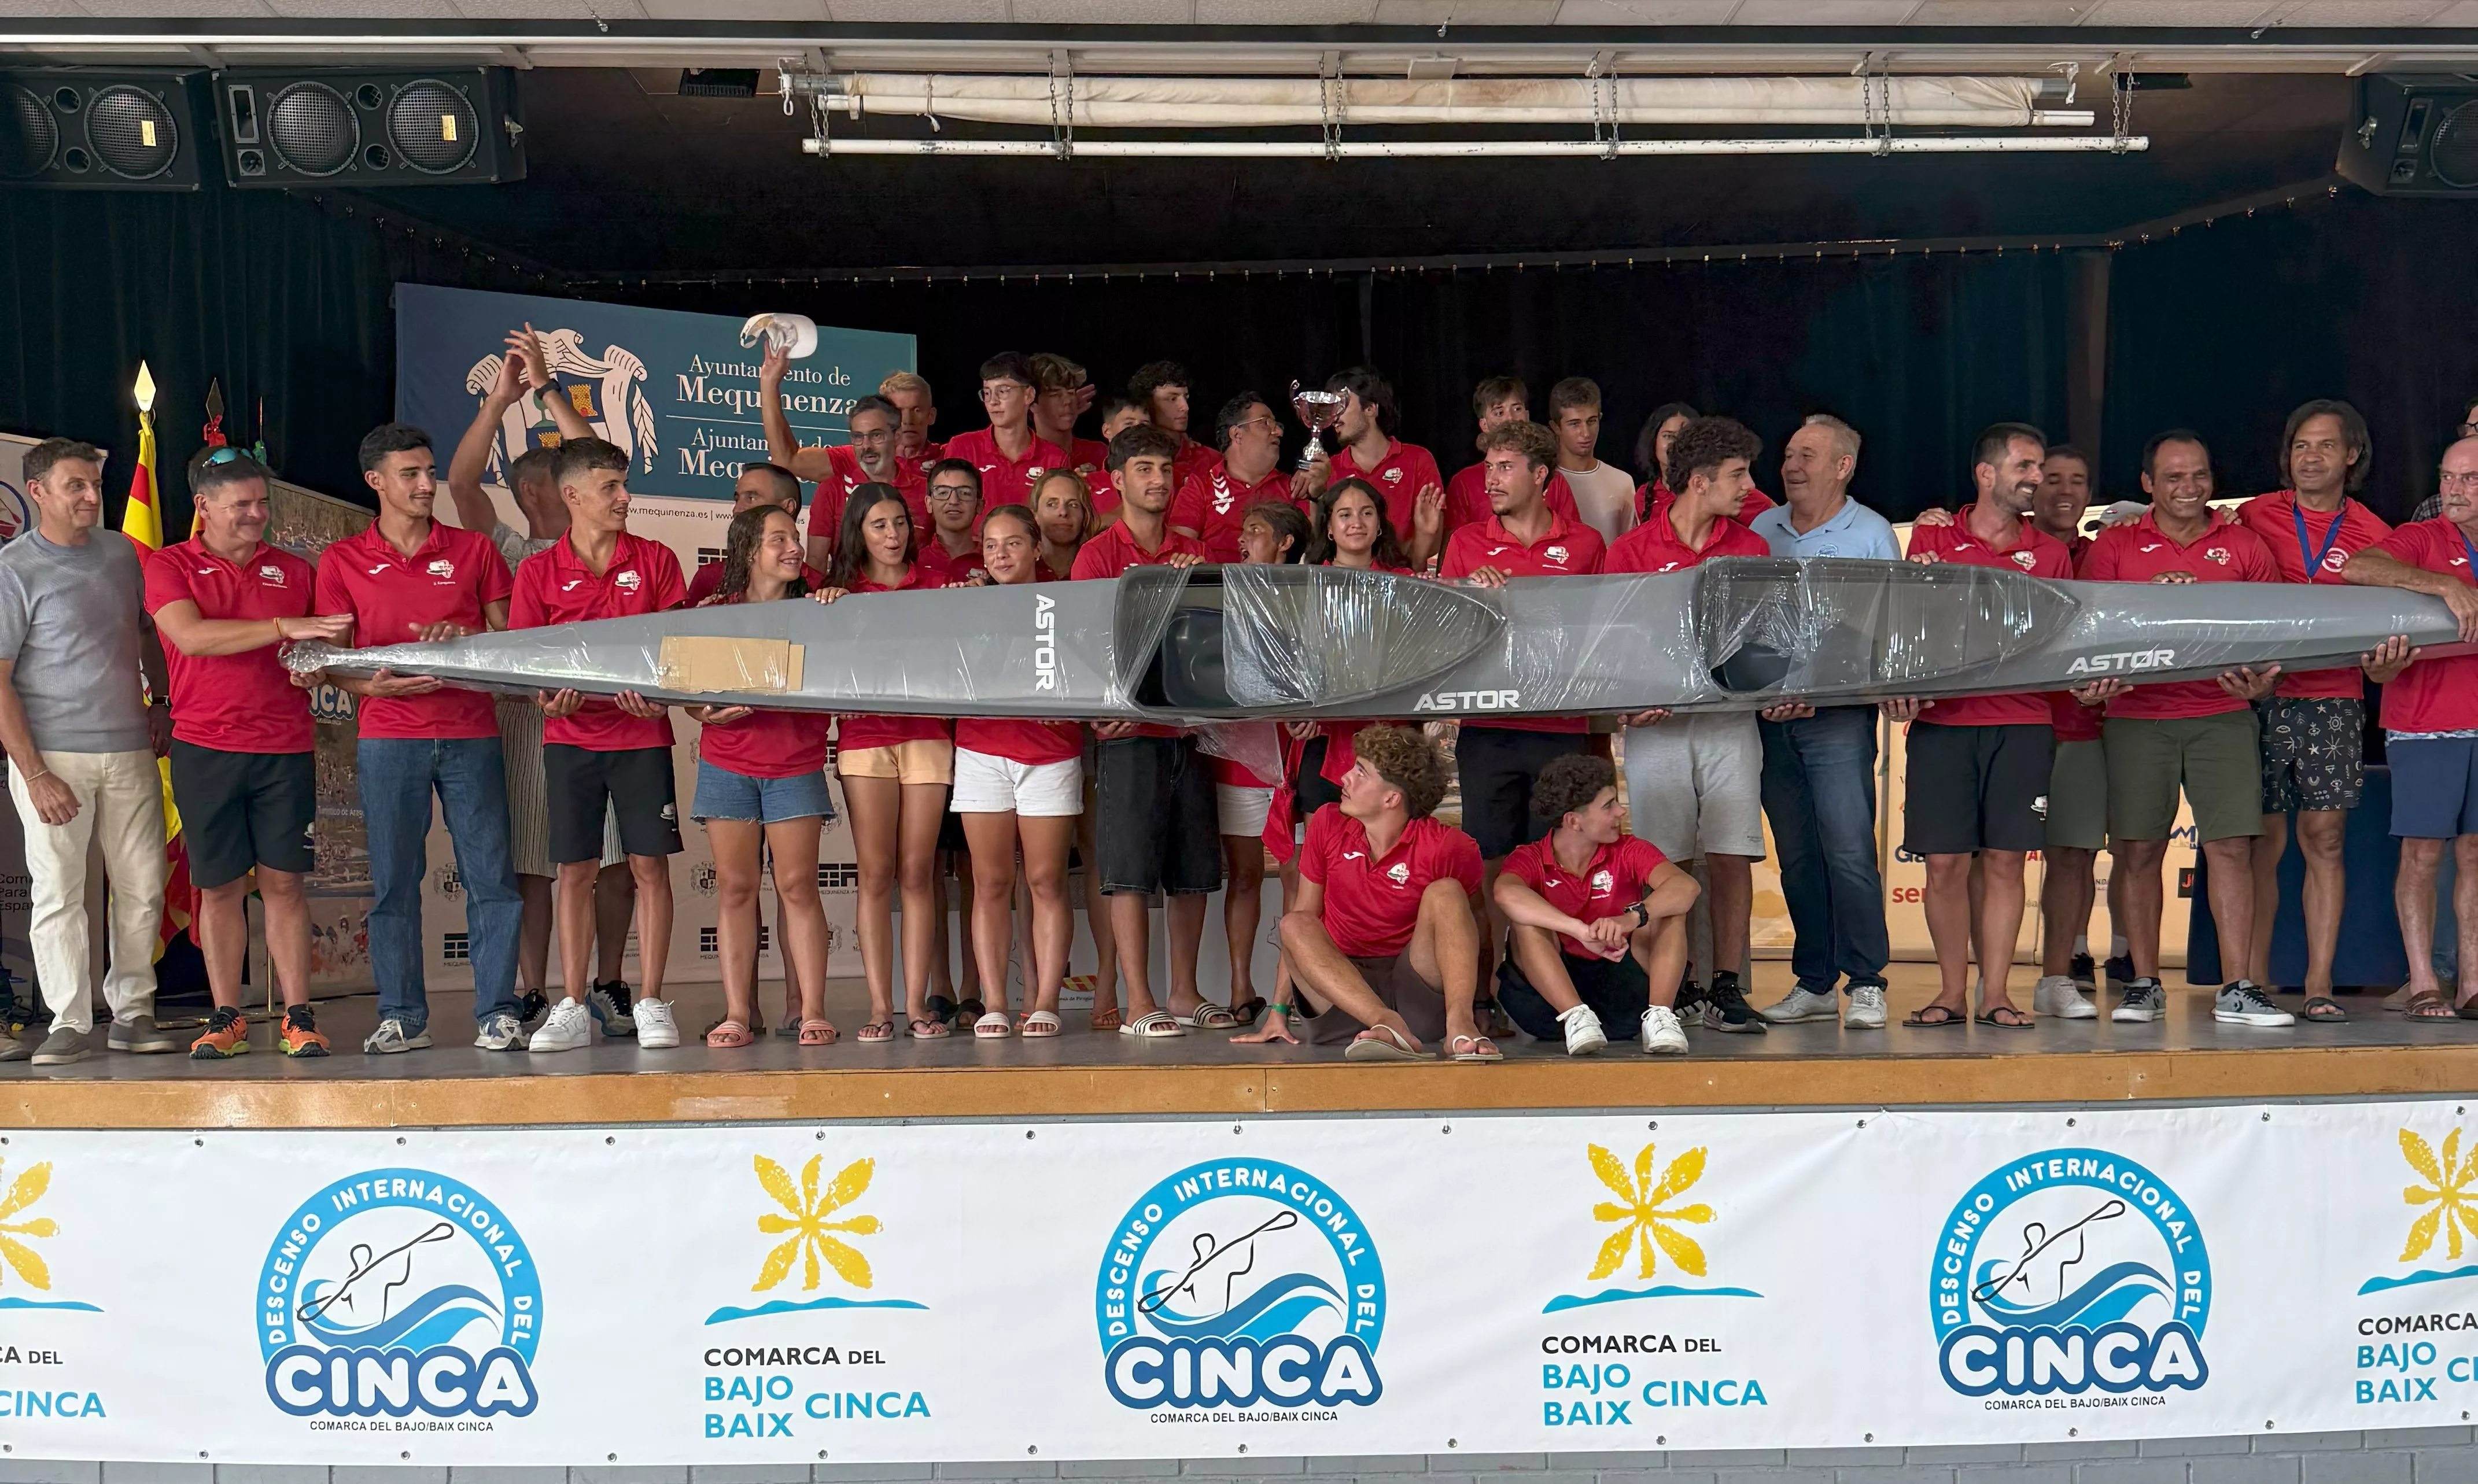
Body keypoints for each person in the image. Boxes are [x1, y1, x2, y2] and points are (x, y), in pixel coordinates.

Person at [447, 326, 639, 1030]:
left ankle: (610, 982)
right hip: (528, 718)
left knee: (615, 858)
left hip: (608, 714)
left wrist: (550, 388)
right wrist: (500, 401)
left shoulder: (601, 541)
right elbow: (463, 483)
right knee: (536, 859)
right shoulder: (507, 549)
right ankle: (534, 986)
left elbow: (592, 457)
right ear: (536, 489)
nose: (600, 491)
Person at [313, 423, 524, 1054]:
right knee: (394, 883)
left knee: (491, 877)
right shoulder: (342, 559)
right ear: (376, 481)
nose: (426, 484)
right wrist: (367, 692)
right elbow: (329, 659)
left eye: (430, 472)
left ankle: (498, 1013)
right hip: (387, 736)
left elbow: (509, 642)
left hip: (470, 731)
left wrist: (462, 640)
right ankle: (402, 1014)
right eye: (411, 474)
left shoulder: (473, 550)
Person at [144, 447, 350, 1058]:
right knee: (220, 886)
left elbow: (314, 654)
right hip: (204, 748)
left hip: (284, 748)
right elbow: (192, 637)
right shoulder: (168, 564)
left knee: (286, 883)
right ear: (203, 506)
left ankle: (298, 1014)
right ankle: (226, 1015)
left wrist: (312, 667)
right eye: (243, 505)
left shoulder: (292, 569)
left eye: (263, 503)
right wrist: (287, 628)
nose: (258, 514)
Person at [2078, 430, 2288, 1028]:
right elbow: (2093, 625)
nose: (2189, 488)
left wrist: (2262, 686)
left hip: (2222, 713)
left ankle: (2238, 986)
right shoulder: (2117, 545)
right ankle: (2144, 981)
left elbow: (2276, 630)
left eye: (2198, 476)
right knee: (2138, 850)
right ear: (2147, 484)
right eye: (2173, 478)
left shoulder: (2244, 544)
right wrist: (2150, 599)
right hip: (2137, 715)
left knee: (2230, 848)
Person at [1891, 424, 2076, 1028]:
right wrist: (1895, 691)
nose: (2036, 478)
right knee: (1945, 864)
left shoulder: (2050, 552)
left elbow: (2065, 643)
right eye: (2025, 466)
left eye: (2040, 467)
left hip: (2023, 721)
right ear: (1986, 473)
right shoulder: (1931, 537)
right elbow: (1901, 631)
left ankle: (1995, 993)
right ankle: (1949, 991)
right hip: (1944, 723)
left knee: (2005, 860)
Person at [510, 435, 689, 1053]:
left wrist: (660, 694)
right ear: (573, 495)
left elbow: (677, 653)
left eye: (624, 484)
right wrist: (544, 699)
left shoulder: (658, 559)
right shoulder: (537, 571)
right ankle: (569, 1002)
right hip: (569, 737)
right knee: (574, 870)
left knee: (648, 867)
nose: (624, 497)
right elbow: (526, 665)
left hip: (641, 734)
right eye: (610, 487)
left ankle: (651, 1000)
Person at [0, 438, 174, 1064]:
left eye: (96, 484)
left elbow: (147, 631)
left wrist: (160, 704)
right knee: (59, 892)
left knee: (143, 885)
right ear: (39, 491)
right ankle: (68, 1021)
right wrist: (36, 772)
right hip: (54, 757)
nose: (92, 497)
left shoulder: (121, 554)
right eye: (75, 486)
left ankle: (133, 1012)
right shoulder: (14, 568)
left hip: (130, 749)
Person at [1603, 416, 1773, 1035]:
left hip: (1730, 719)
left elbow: (1763, 643)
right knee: (1662, 862)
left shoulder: (1751, 548)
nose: (1748, 487)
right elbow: (1611, 649)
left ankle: (1726, 985)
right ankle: (1669, 992)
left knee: (1731, 854)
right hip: (1659, 727)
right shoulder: (1630, 552)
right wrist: (1626, 703)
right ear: (1699, 482)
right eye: (1737, 475)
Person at [1438, 419, 1606, 985]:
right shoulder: (1465, 543)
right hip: (1489, 726)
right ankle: (1487, 989)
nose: (1491, 479)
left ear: (1540, 474)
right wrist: (1472, 601)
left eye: (1504, 467)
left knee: (1555, 863)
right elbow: (1447, 639)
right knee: (1488, 863)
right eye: (1487, 467)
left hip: (1560, 727)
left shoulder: (1586, 544)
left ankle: (1549, 990)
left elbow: (1602, 636)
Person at [2236, 401, 2389, 1022]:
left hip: (2334, 698)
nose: (2312, 457)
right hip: (2260, 694)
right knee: (2261, 841)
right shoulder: (2253, 513)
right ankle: (2250, 982)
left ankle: (2319, 981)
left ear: (2351, 455)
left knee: (2323, 840)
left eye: (2326, 446)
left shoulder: (2377, 535)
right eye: (2301, 445)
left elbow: (2387, 633)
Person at [1749, 415, 1899, 1029]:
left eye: (1808, 454)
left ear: (1844, 466)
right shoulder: (1759, 530)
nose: (1792, 465)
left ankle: (1867, 980)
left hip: (1838, 718)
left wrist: (1824, 688)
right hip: (1766, 719)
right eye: (1788, 453)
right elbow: (1738, 630)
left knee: (1849, 851)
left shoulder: (1871, 534)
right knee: (1798, 857)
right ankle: (1814, 982)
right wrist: (1764, 694)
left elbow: (1889, 632)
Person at [1072, 424, 1219, 1039]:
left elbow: (1219, 643)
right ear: (1116, 480)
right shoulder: (1099, 554)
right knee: (1129, 872)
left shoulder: (1194, 552)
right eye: (1144, 469)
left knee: (1192, 871)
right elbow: (1082, 642)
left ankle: (1184, 993)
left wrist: (1198, 577)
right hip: (1130, 735)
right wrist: (1095, 706)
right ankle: (1139, 1001)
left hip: (1189, 734)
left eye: (1165, 469)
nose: (1157, 480)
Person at [683, 504, 836, 1049]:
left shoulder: (820, 608)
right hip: (727, 765)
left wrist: (834, 608)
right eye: (779, 539)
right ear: (750, 551)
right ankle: (736, 1013)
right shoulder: (713, 612)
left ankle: (813, 1009)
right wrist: (704, 714)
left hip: (794, 764)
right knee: (736, 889)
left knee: (798, 887)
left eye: (795, 538)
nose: (794, 547)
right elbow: (690, 697)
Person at [2343, 435, 2478, 1020]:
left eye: (2470, 479)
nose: (2454, 489)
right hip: (2426, 723)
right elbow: (2358, 565)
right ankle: (2424, 980)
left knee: (2475, 855)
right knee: (2423, 854)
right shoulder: (2424, 538)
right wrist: (2443, 584)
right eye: (2448, 477)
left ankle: (2473, 982)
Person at [813, 483, 953, 1041]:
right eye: (879, 526)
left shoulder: (938, 583)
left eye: (900, 523)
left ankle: (916, 1005)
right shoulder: (838, 593)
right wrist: (826, 608)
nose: (893, 535)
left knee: (917, 874)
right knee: (875, 875)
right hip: (865, 738)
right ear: (858, 532)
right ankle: (879, 1007)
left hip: (927, 735)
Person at [1264, 725, 1491, 1062]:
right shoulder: (1327, 822)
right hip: (1341, 994)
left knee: (1447, 892)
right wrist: (1278, 1011)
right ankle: (1384, 1022)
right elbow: (1303, 921)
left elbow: (1476, 929)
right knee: (1295, 923)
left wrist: (1481, 1005)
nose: (1344, 778)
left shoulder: (1449, 846)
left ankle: (1459, 1024)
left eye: (1360, 772)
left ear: (1392, 798)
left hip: (1416, 996)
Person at [952, 503, 1086, 1040]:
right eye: (990, 545)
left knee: (1047, 881)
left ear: (1036, 548)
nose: (1000, 554)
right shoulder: (967, 604)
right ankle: (994, 1004)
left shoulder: (1068, 601)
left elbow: (1088, 671)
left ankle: (1047, 1001)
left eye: (1012, 543)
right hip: (982, 750)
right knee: (989, 883)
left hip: (1051, 752)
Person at [1494, 754, 1701, 1055]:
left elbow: (1686, 886)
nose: (1621, 811)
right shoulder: (1530, 857)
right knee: (1526, 920)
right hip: (1551, 1012)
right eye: (1608, 806)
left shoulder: (1631, 849)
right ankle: (1576, 1015)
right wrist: (1578, 930)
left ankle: (1660, 1016)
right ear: (1573, 821)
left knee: (1669, 909)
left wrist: (1631, 919)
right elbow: (1505, 894)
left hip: (1625, 997)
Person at [2027, 444, 2130, 997]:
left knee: (2076, 852)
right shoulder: (2011, 550)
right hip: (2014, 721)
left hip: (2086, 727)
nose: (2065, 492)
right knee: (1989, 857)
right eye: (2052, 480)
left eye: (2079, 482)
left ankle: (2072, 962)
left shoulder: (2103, 553)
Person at [1210, 500, 1311, 1024]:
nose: (1243, 540)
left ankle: (1294, 991)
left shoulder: (1312, 597)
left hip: (1299, 762)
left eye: (1255, 531)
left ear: (1286, 543)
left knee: (1299, 880)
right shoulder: (1224, 595)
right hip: (1239, 761)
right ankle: (1239, 989)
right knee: (1246, 876)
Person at [1025, 469, 1120, 1023]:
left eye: (1072, 504)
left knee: (1100, 858)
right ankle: (1042, 991)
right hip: (1036, 734)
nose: (1061, 513)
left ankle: (1107, 984)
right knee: (1038, 872)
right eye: (1050, 504)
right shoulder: (1015, 569)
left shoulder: (1100, 566)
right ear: (1034, 513)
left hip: (1095, 728)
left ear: (1087, 513)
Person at [1322, 367, 1444, 550]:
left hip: (1405, 576)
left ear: (1370, 409)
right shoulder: (1328, 468)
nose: (1334, 417)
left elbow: (1433, 542)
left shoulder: (1419, 459)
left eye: (1341, 405)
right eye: (1331, 408)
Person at [1443, 376, 1580, 534]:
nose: (1510, 419)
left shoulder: (1555, 481)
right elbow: (1452, 548)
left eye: (1517, 409)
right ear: (1484, 425)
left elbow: (1574, 541)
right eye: (1499, 412)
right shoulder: (1463, 483)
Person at [1170, 393, 1296, 563]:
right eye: (1265, 423)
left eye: (1277, 425)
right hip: (1216, 585)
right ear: (1237, 434)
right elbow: (1180, 553)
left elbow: (1309, 552)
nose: (1278, 432)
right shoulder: (1200, 486)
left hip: (1278, 585)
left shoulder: (1294, 486)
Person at [943, 353, 1066, 511]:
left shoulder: (1055, 459)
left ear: (1029, 395)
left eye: (1003, 391)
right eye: (987, 393)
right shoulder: (962, 447)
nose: (993, 401)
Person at [687, 462, 808, 603]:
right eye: (780, 539)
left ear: (788, 507)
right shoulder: (713, 593)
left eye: (751, 499)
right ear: (749, 550)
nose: (737, 510)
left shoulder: (819, 596)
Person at [1547, 377, 1636, 547]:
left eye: (1592, 421)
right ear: (1556, 427)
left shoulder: (1622, 482)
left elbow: (1629, 551)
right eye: (1574, 424)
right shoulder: (1542, 482)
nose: (1586, 433)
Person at [1128, 360, 1222, 490]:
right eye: (1172, 399)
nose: (1185, 407)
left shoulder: (1212, 460)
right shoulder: (1128, 460)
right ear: (1148, 404)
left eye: (1186, 398)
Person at [1030, 352, 1109, 481]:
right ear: (1032, 402)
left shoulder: (1099, 453)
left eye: (1071, 392)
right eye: (1055, 394)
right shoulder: (1024, 459)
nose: (1067, 401)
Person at [916, 458, 988, 585]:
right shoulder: (914, 562)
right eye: (943, 493)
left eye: (965, 493)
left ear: (979, 505)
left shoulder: (994, 560)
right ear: (929, 504)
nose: (954, 501)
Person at [878, 370, 943, 480]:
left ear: (931, 416)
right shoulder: (869, 463)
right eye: (899, 411)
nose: (908, 420)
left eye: (917, 410)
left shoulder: (948, 458)